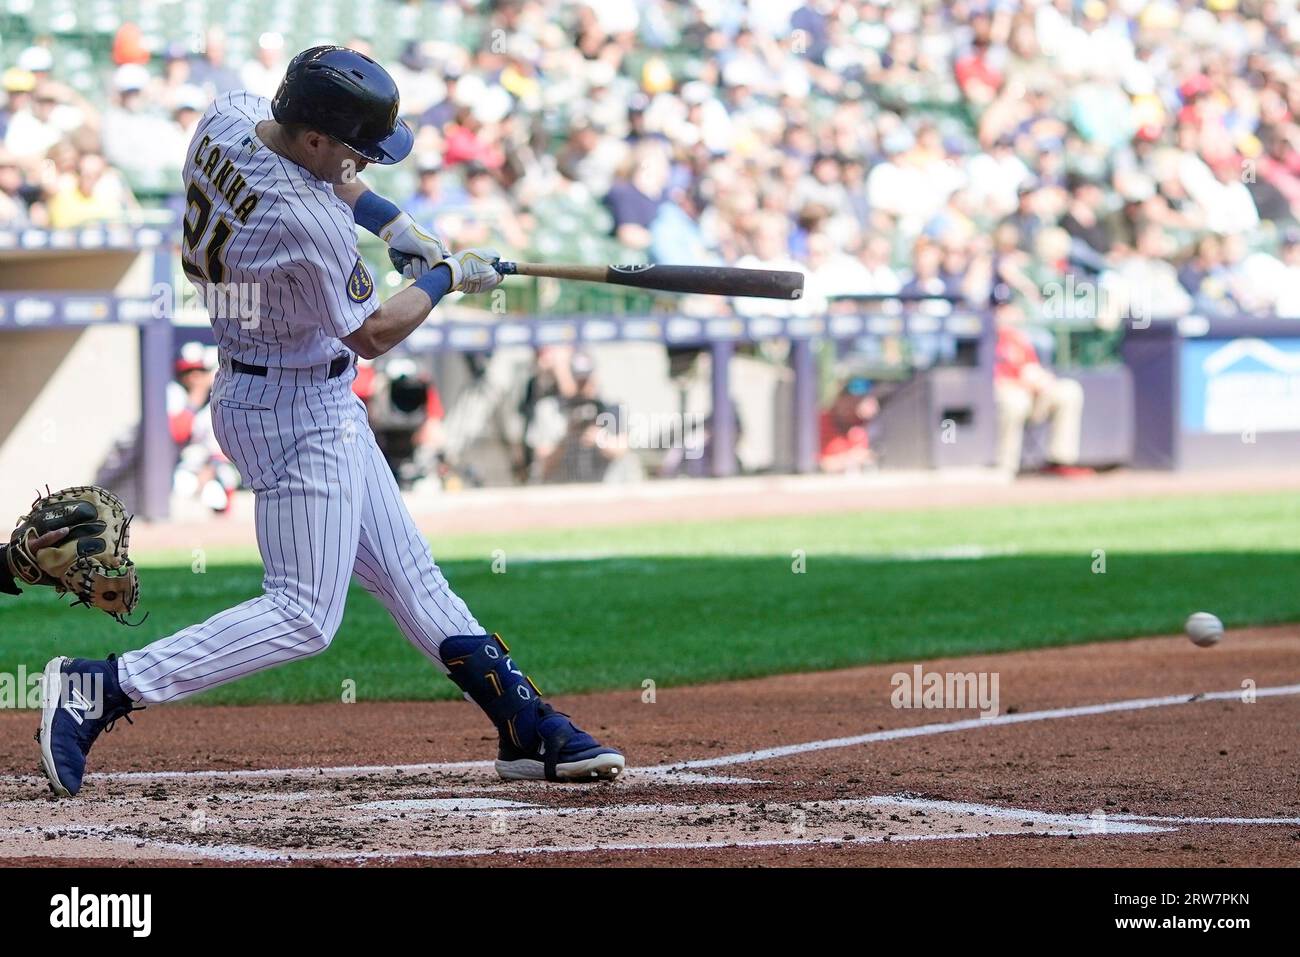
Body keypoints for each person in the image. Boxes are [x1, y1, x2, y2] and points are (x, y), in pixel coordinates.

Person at [37, 46, 623, 800]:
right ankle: (104, 685)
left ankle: (526, 727)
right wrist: (448, 277)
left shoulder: (230, 114)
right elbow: (374, 333)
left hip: (289, 390)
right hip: (291, 411)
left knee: (412, 576)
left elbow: (338, 185)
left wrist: (395, 223)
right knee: (304, 615)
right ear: (315, 137)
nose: (362, 164)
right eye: (354, 148)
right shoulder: (305, 220)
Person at [992, 300, 1091, 477]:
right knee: (1015, 401)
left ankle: (1060, 460)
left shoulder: (1019, 337)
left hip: (1033, 396)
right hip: (1008, 395)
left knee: (1069, 390)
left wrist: (1042, 379)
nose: (1010, 313)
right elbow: (990, 380)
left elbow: (1032, 368)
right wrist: (1023, 383)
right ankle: (1005, 467)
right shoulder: (988, 340)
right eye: (1003, 309)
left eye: (1010, 308)